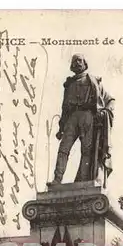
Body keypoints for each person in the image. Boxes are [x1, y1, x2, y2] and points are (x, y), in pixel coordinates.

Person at [49, 54, 115, 186]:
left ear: (85, 63)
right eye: (74, 61)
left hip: (87, 116)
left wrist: (105, 112)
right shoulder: (69, 84)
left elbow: (110, 100)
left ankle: (84, 181)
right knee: (63, 149)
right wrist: (61, 128)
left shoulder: (93, 81)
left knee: (87, 150)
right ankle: (57, 180)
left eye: (80, 60)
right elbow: (65, 107)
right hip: (72, 118)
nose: (77, 63)